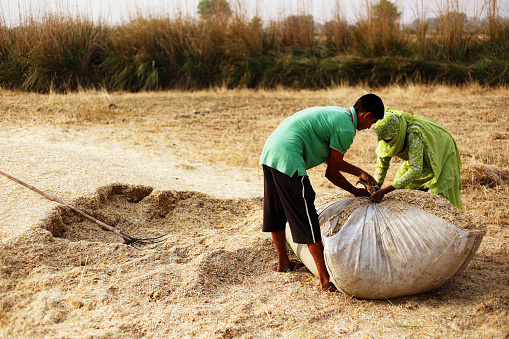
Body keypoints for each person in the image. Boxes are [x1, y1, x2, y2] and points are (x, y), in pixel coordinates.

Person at [259, 93, 385, 292]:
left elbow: (330, 159)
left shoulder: (339, 115)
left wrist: (361, 172)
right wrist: (356, 192)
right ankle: (325, 280)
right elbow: (331, 173)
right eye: (373, 122)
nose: (369, 127)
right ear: (367, 115)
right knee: (306, 213)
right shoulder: (346, 128)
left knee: (276, 209)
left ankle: (283, 262)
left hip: (271, 151)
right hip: (289, 155)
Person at [371, 108, 462, 209]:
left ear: (398, 132)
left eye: (389, 140)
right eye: (383, 140)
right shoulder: (386, 134)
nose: (386, 143)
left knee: (439, 194)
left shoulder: (413, 133)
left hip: (441, 151)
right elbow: (382, 163)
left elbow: (415, 169)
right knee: (403, 188)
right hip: (421, 155)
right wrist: (377, 185)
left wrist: (385, 191)